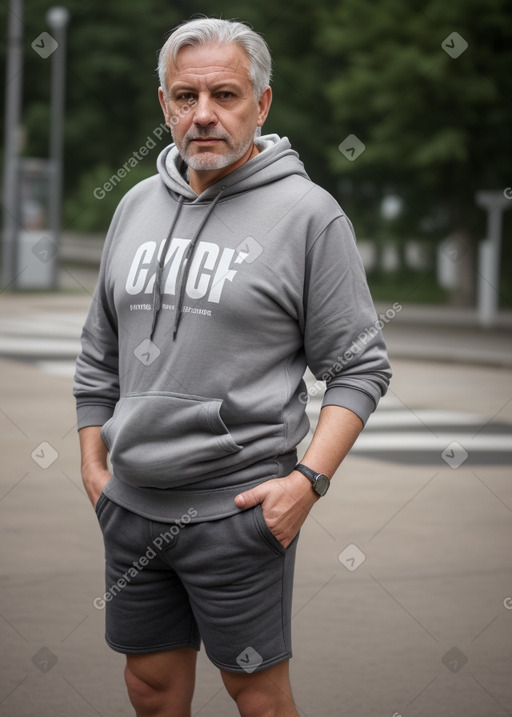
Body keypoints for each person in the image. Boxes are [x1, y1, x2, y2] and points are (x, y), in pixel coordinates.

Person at [73, 16, 391, 717]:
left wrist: (306, 482)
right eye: (185, 97)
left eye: (225, 94)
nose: (204, 114)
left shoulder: (310, 217)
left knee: (259, 699)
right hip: (129, 506)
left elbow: (361, 368)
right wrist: (94, 467)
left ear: (263, 104)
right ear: (165, 105)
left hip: (238, 513)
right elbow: (98, 356)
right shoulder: (133, 207)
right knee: (149, 691)